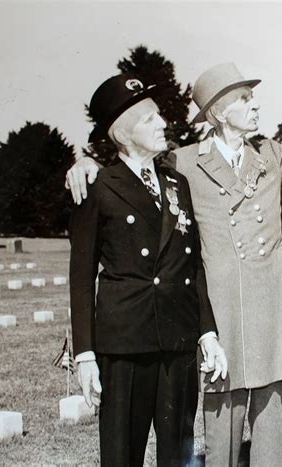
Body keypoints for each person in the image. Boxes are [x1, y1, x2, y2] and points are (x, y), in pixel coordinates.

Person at [67, 62, 282, 466]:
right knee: (220, 438)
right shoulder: (183, 163)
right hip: (221, 317)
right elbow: (129, 174)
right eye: (245, 99)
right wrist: (85, 165)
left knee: (269, 434)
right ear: (220, 113)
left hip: (270, 311)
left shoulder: (272, 155)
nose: (256, 106)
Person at [69, 73, 227, 467]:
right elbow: (81, 277)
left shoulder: (178, 183)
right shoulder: (98, 185)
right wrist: (85, 355)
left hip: (176, 341)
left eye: (160, 116)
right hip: (124, 345)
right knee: (123, 454)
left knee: (178, 451)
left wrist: (207, 332)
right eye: (150, 119)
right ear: (123, 134)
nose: (163, 124)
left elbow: (192, 265)